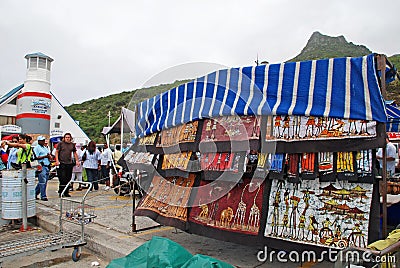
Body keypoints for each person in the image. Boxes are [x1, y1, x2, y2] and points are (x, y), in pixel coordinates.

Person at [55, 133, 80, 197]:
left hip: (69, 163)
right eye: (66, 137)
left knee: (68, 178)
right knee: (62, 178)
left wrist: (77, 161)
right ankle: (61, 192)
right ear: (64, 138)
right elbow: (57, 152)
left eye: (69, 137)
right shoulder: (61, 144)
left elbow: (74, 153)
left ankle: (66, 192)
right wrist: (57, 160)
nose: (67, 138)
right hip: (62, 163)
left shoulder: (72, 145)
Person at [34, 136, 51, 201]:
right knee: (43, 181)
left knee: (44, 181)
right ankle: (43, 196)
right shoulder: (37, 148)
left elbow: (48, 154)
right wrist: (45, 156)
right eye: (41, 140)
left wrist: (49, 157)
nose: (43, 141)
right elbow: (36, 157)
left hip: (47, 165)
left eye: (43, 140)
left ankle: (35, 193)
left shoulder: (45, 148)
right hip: (41, 165)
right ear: (38, 141)